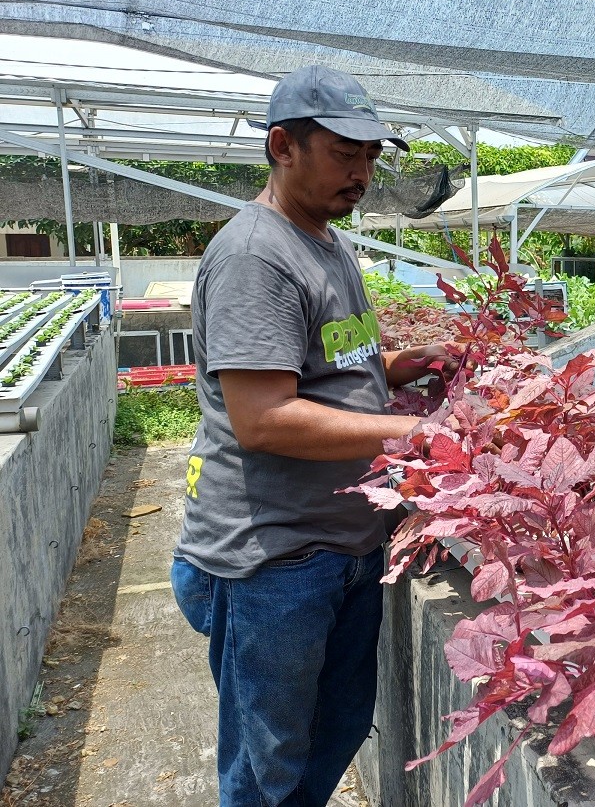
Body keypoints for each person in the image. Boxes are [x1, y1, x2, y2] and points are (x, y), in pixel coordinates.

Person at [170, 65, 455, 806]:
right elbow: (262, 418)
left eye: (370, 157)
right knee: (269, 768)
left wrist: (395, 366)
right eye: (342, 153)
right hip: (275, 559)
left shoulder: (324, 241)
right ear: (282, 146)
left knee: (331, 734)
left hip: (341, 547)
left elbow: (328, 367)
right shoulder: (255, 256)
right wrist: (415, 430)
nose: (361, 174)